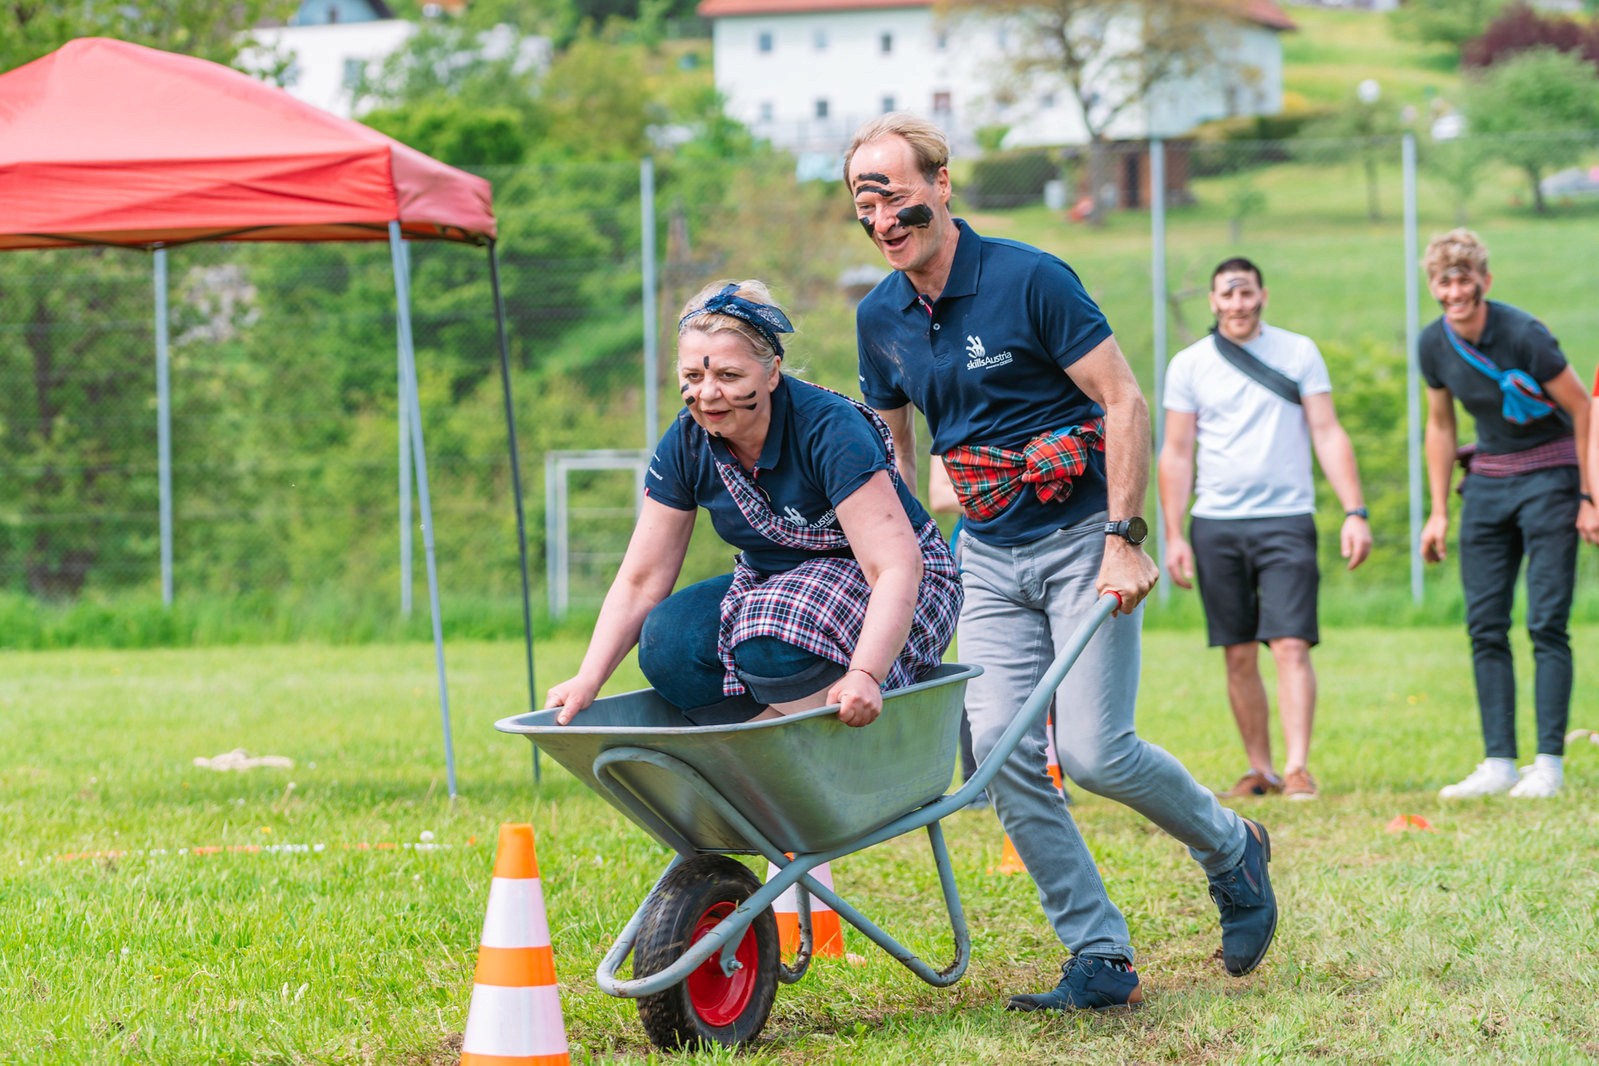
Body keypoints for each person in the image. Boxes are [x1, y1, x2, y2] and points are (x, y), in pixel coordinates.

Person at [847, 113, 1276, 1012]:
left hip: (1084, 541)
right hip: (986, 556)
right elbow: (892, 452)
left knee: (1094, 752)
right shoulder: (878, 317)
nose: (883, 217)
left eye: (896, 194)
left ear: (942, 185)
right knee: (1001, 755)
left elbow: (1123, 401)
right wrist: (899, 563)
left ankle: (1232, 847)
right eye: (864, 200)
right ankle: (1098, 954)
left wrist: (1124, 537)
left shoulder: (1028, 278)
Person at [546, 279, 962, 729]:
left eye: (728, 376)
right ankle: (768, 750)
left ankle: (847, 736)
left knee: (768, 628)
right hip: (775, 588)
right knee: (668, 640)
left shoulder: (830, 430)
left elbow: (895, 567)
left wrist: (865, 673)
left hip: (898, 586)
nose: (707, 394)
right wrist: (588, 679)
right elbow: (642, 580)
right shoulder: (687, 443)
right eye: (693, 377)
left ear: (772, 372)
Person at [1157, 258, 1373, 802]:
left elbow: (1327, 431)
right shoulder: (1189, 364)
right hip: (1216, 523)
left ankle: (1298, 768)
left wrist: (1355, 511)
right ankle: (1262, 770)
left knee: (1291, 643)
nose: (1238, 303)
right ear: (1213, 301)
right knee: (1237, 651)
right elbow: (1177, 452)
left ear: (1263, 295)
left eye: (1246, 292)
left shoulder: (1299, 352)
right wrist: (1174, 534)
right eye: (1227, 294)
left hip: (1287, 519)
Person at [1418, 229, 1596, 799]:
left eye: (1463, 279)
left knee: (1546, 622)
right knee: (1485, 625)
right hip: (1488, 486)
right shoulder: (1433, 344)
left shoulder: (1524, 334)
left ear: (1484, 281)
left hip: (1552, 480)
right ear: (1433, 286)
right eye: (1443, 281)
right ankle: (1499, 763)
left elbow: (1583, 408)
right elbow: (1441, 425)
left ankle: (1549, 764)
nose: (1454, 291)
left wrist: (1589, 496)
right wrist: (1438, 511)